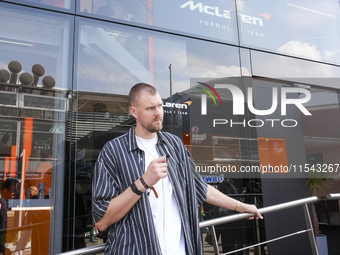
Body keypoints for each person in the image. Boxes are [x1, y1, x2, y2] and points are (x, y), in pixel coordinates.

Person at [92, 83, 262, 254]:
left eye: (160, 105)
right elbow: (102, 221)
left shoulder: (174, 145)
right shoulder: (113, 151)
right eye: (150, 108)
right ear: (134, 112)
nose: (158, 113)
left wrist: (241, 206)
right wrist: (143, 182)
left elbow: (200, 188)